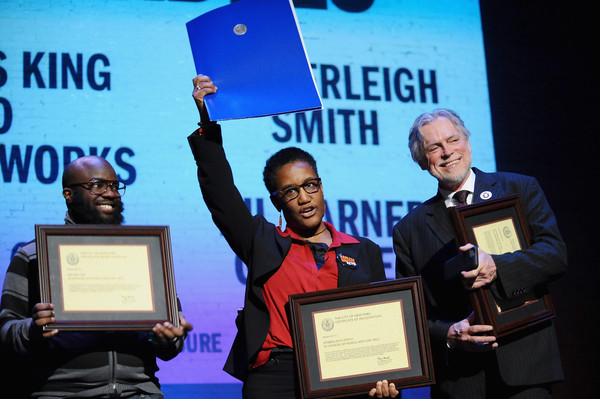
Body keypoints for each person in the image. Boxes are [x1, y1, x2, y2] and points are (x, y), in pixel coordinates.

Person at [188, 74, 399, 399]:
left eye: (310, 185)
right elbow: (220, 193)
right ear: (277, 201)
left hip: (341, 375)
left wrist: (387, 375)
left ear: (321, 186)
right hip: (276, 377)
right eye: (291, 191)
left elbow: (377, 323)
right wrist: (208, 119)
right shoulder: (262, 241)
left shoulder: (362, 250)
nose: (304, 197)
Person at [393, 109, 566, 398]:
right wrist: (449, 334)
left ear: (468, 143)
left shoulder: (519, 188)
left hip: (527, 368)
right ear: (423, 161)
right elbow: (411, 316)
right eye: (434, 147)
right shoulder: (409, 230)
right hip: (459, 381)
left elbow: (555, 255)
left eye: (453, 139)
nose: (448, 152)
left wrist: (498, 267)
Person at [0, 155, 193, 398]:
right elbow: (5, 332)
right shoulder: (34, 255)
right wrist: (33, 329)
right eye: (97, 185)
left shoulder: (143, 253)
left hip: (139, 391)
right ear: (68, 194)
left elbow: (171, 344)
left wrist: (169, 337)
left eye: (114, 186)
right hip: (62, 393)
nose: (110, 193)